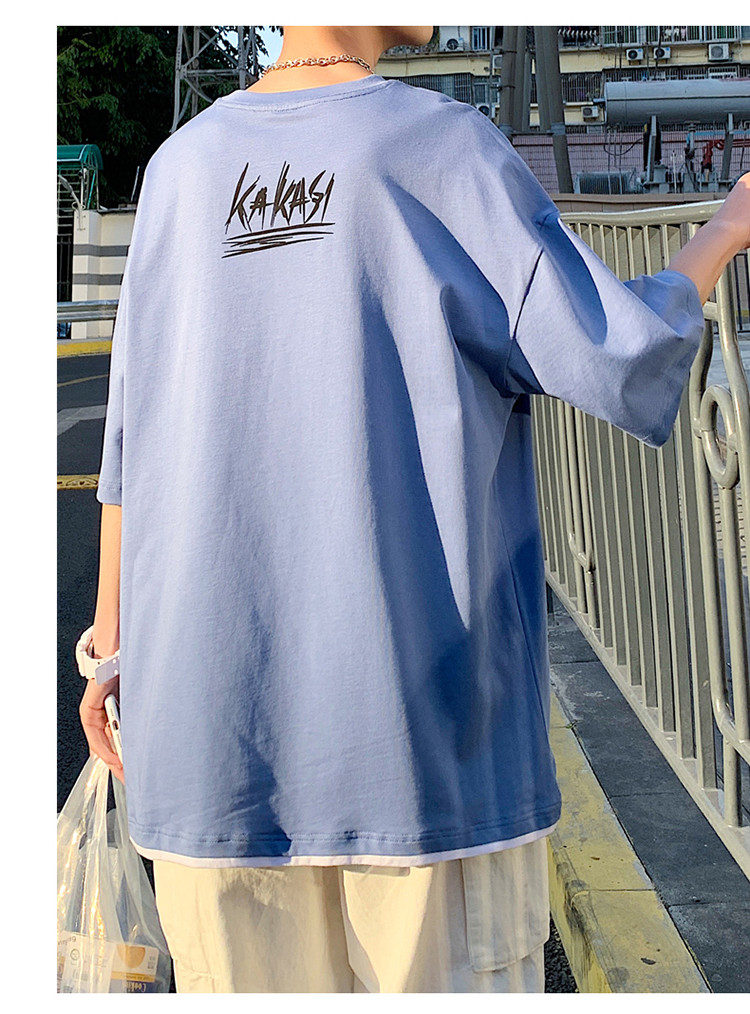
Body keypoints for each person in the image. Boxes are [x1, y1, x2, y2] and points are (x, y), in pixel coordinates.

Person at [77, 25, 750, 993]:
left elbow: (129, 433)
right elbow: (616, 350)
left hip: (210, 742)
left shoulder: (179, 169)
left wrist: (110, 645)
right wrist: (726, 227)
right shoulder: (440, 146)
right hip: (417, 752)